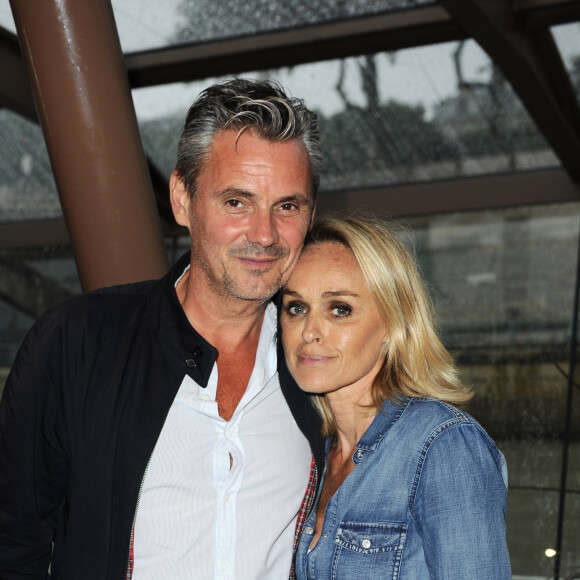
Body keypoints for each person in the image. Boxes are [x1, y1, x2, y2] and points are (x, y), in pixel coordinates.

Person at [0, 78, 325, 580]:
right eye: (236, 202)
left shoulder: (325, 364)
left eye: (287, 206)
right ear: (182, 199)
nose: (264, 234)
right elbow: (13, 546)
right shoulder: (77, 344)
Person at [280, 214, 511, 579]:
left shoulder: (442, 444)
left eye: (340, 309)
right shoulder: (313, 454)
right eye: (296, 307)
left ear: (393, 325)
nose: (310, 331)